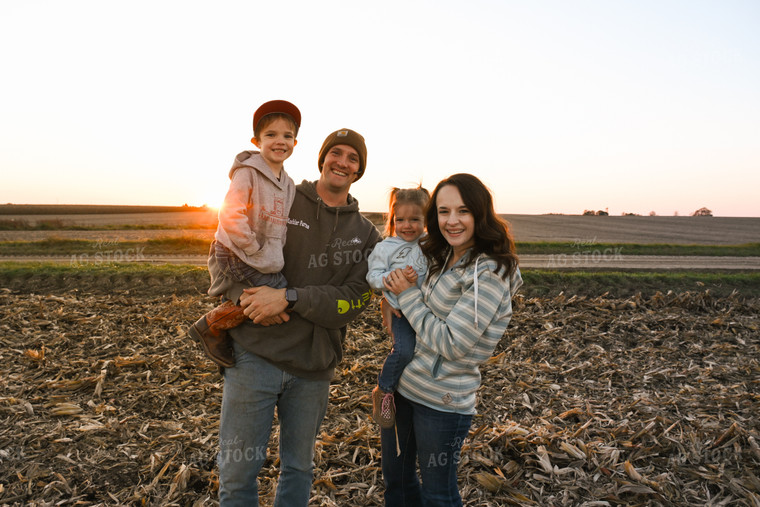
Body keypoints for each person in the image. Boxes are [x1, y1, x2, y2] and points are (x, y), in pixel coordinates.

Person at [208, 128, 382, 506]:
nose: (342, 162)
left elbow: (355, 299)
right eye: (335, 153)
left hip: (313, 367)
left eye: (353, 158)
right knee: (238, 474)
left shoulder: (366, 234)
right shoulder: (284, 199)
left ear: (359, 170)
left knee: (298, 470)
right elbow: (223, 251)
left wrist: (288, 297)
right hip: (255, 356)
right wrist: (246, 299)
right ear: (322, 159)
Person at [380, 173, 523, 506]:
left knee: (437, 495)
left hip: (442, 404)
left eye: (463, 211)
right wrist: (389, 297)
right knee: (397, 484)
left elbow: (452, 343)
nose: (452, 220)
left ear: (480, 213)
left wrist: (408, 296)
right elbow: (398, 286)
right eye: (443, 212)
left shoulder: (489, 272)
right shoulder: (439, 255)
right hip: (404, 390)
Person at [188, 99, 301, 368]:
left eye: (287, 136)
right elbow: (230, 213)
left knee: (278, 296)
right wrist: (252, 248)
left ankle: (222, 328)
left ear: (295, 143)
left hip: (262, 256)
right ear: (256, 141)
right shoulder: (247, 172)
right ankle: (211, 326)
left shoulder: (288, 184)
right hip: (238, 251)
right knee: (275, 298)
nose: (280, 141)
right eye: (271, 135)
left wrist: (272, 254)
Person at [366, 186, 430, 428]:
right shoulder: (386, 248)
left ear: (426, 220)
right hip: (401, 312)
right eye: (400, 219)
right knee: (404, 350)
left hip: (426, 310)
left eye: (415, 219)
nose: (407, 225)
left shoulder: (430, 243)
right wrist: (392, 279)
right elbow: (372, 276)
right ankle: (384, 389)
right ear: (392, 220)